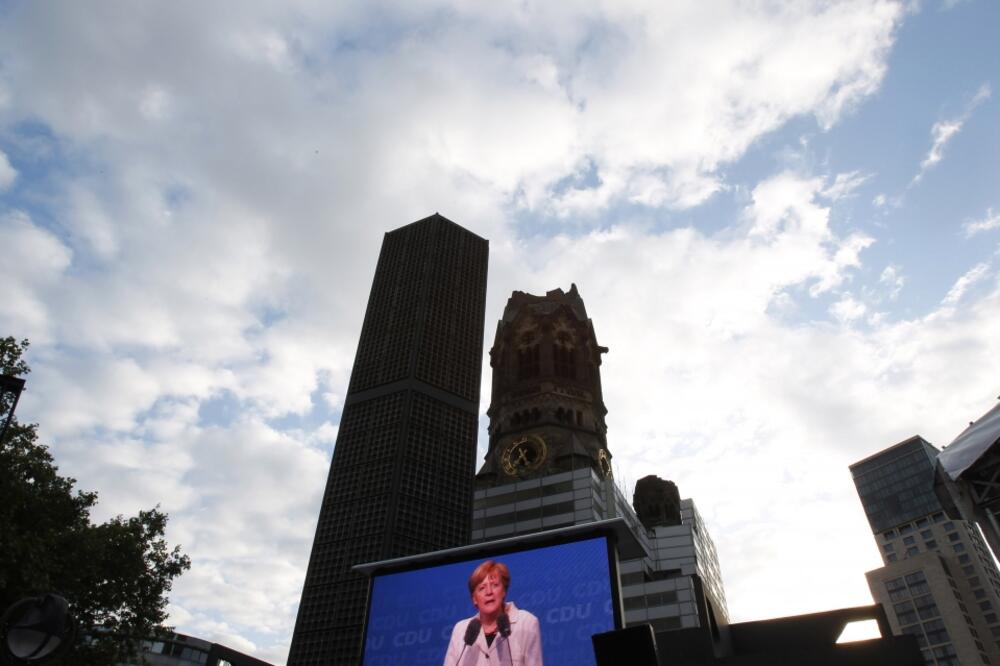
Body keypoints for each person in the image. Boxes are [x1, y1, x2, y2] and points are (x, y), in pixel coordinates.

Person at [443, 560, 543, 666]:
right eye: (482, 588)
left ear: (504, 591)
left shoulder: (526, 622)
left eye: (495, 585)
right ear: (474, 599)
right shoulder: (461, 630)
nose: (489, 592)